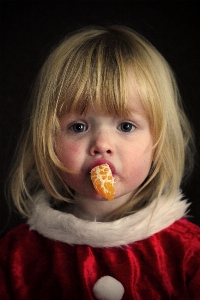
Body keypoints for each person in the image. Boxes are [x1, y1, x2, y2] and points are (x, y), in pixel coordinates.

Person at [0, 25, 199, 300]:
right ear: (47, 141)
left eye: (126, 126)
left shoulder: (189, 252)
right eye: (78, 127)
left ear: (159, 143)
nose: (102, 144)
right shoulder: (17, 255)